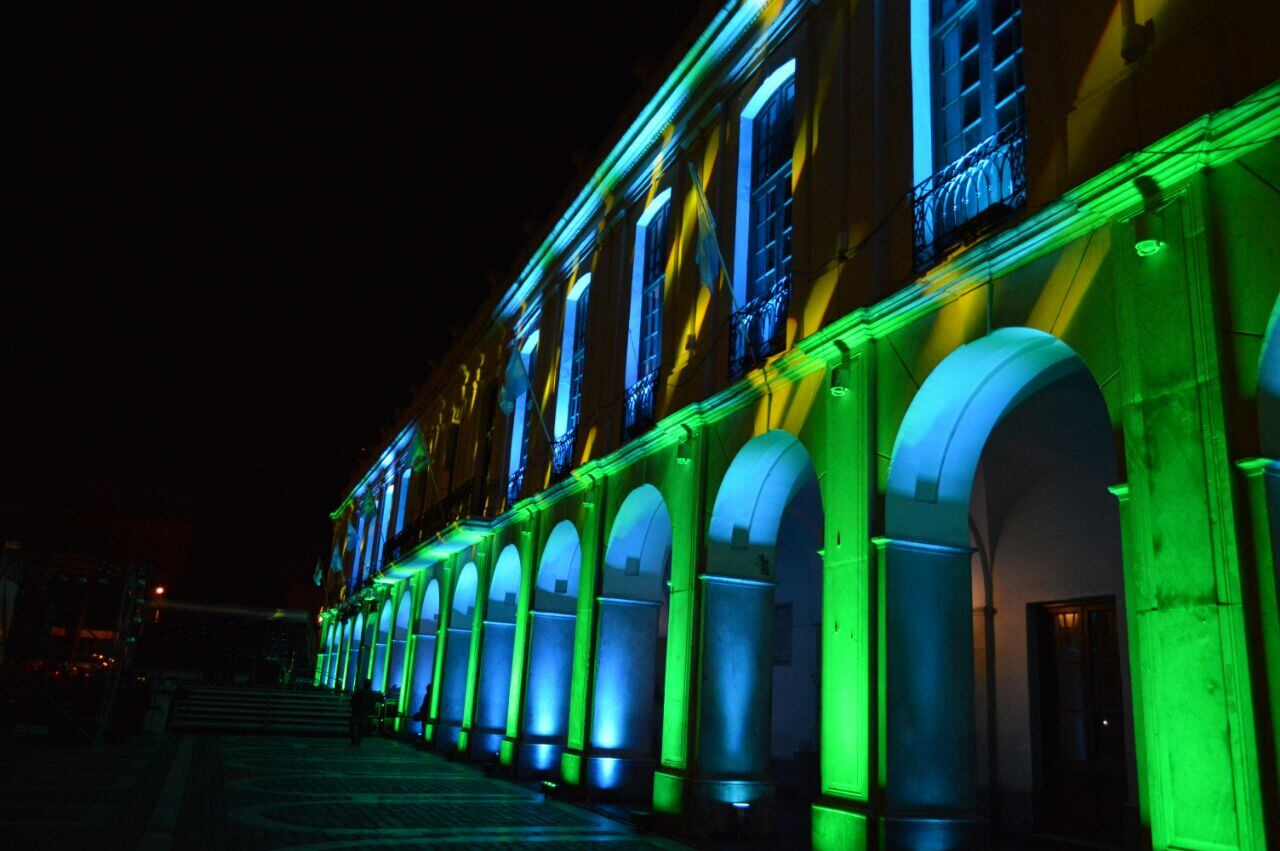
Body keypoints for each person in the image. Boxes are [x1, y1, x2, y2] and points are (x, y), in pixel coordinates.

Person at [349, 678, 374, 746]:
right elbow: (372, 703)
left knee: (353, 725)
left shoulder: (359, 691)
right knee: (361, 727)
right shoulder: (370, 693)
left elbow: (353, 700)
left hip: (357, 711)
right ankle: (358, 740)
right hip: (364, 712)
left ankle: (354, 739)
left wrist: (353, 706)